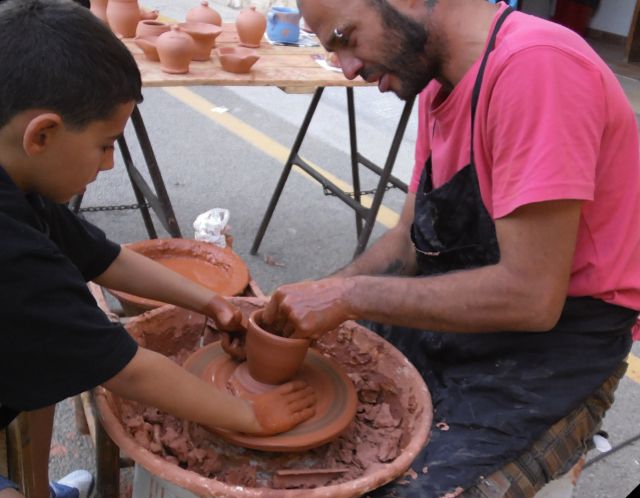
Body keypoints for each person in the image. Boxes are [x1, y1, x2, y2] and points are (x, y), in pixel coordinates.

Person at [259, 0, 640, 496]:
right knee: (315, 395)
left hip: (560, 344)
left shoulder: (537, 69)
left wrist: (348, 298)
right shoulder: (439, 81)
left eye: (345, 38)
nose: (348, 69)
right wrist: (314, 296)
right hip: (470, 316)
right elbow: (407, 244)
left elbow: (531, 296)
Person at [0, 1, 316, 498]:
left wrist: (212, 303)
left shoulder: (18, 184)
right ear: (42, 133)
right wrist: (251, 414)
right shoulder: (14, 256)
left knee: (43, 378)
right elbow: (127, 370)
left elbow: (105, 258)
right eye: (106, 145)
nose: (108, 165)